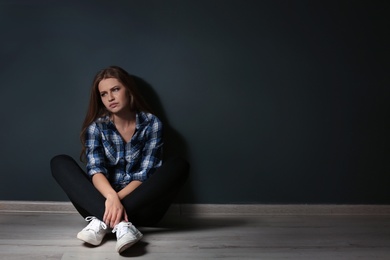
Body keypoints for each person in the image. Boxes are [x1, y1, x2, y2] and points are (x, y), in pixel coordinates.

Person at [50, 66, 189, 254]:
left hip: (142, 208)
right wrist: (110, 197)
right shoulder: (96, 128)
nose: (110, 98)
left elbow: (145, 174)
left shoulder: (151, 124)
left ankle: (102, 222)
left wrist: (115, 202)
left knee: (179, 165)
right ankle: (122, 226)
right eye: (104, 94)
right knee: (59, 162)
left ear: (128, 90)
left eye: (115, 89)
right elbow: (96, 171)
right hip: (99, 204)